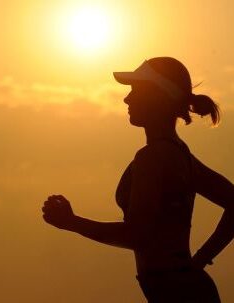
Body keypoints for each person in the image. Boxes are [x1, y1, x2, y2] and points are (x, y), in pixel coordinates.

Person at [41, 57, 234, 302]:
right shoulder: (179, 153)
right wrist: (199, 260)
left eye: (136, 91)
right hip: (186, 288)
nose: (127, 99)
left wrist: (72, 222)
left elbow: (136, 235)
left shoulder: (152, 157)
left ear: (159, 97)